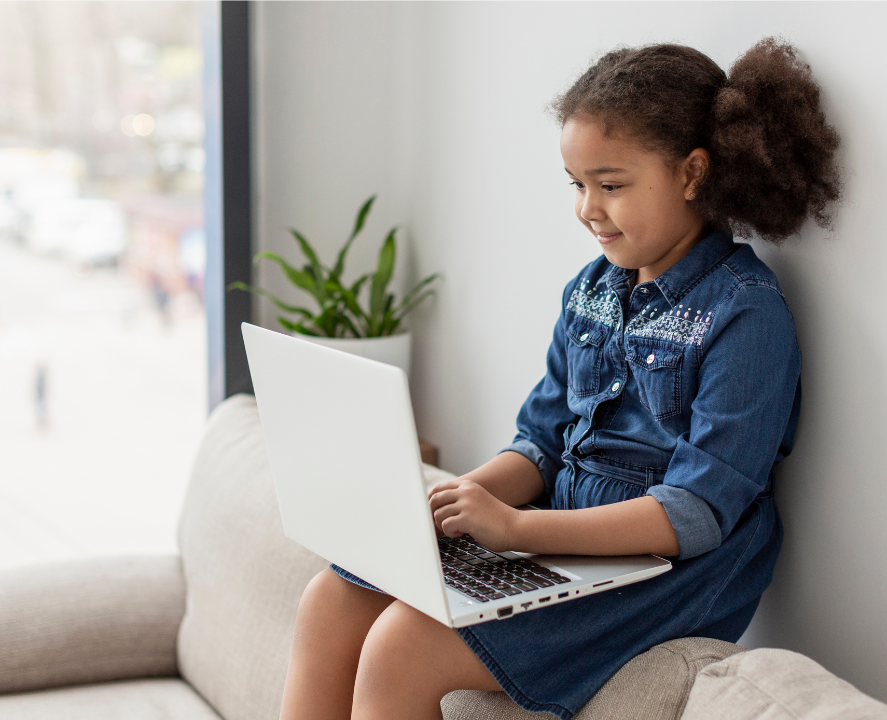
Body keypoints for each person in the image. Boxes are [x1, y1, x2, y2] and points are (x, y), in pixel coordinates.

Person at [280, 38, 841, 720]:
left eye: (611, 185)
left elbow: (696, 514)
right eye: (577, 185)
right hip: (565, 541)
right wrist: (453, 502)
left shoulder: (746, 312)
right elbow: (542, 442)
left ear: (693, 173)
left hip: (671, 573)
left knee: (403, 646)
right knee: (331, 599)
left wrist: (517, 529)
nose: (587, 209)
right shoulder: (592, 291)